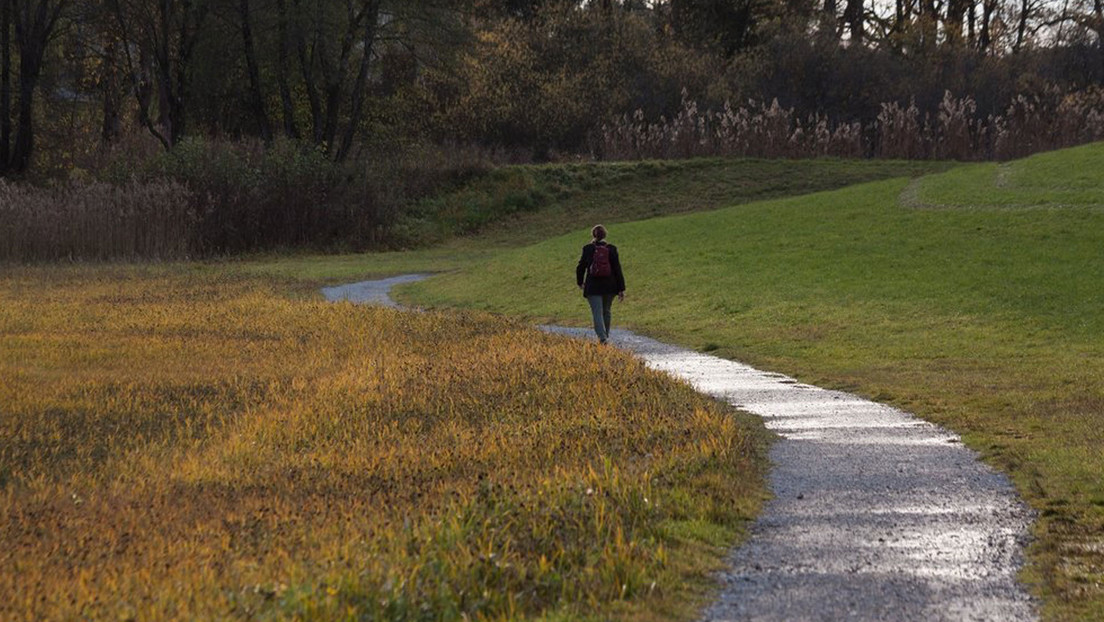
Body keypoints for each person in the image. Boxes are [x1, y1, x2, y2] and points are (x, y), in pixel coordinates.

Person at [576, 224, 625, 344]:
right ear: (605, 235)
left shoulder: (588, 248)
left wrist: (580, 282)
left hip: (593, 287)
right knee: (606, 311)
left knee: (597, 312)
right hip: (610, 286)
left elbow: (580, 267)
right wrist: (621, 288)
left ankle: (602, 338)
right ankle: (605, 336)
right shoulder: (612, 249)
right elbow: (617, 269)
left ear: (593, 235)